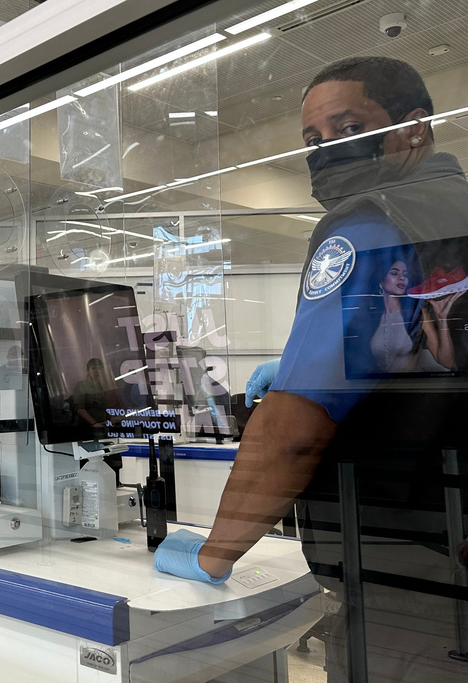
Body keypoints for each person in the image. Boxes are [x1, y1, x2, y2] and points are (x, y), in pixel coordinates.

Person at [156, 57, 468, 680]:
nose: (327, 150)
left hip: (407, 557)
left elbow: (293, 435)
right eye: (313, 140)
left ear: (414, 127)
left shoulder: (369, 223)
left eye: (347, 127)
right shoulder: (454, 210)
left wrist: (216, 552)